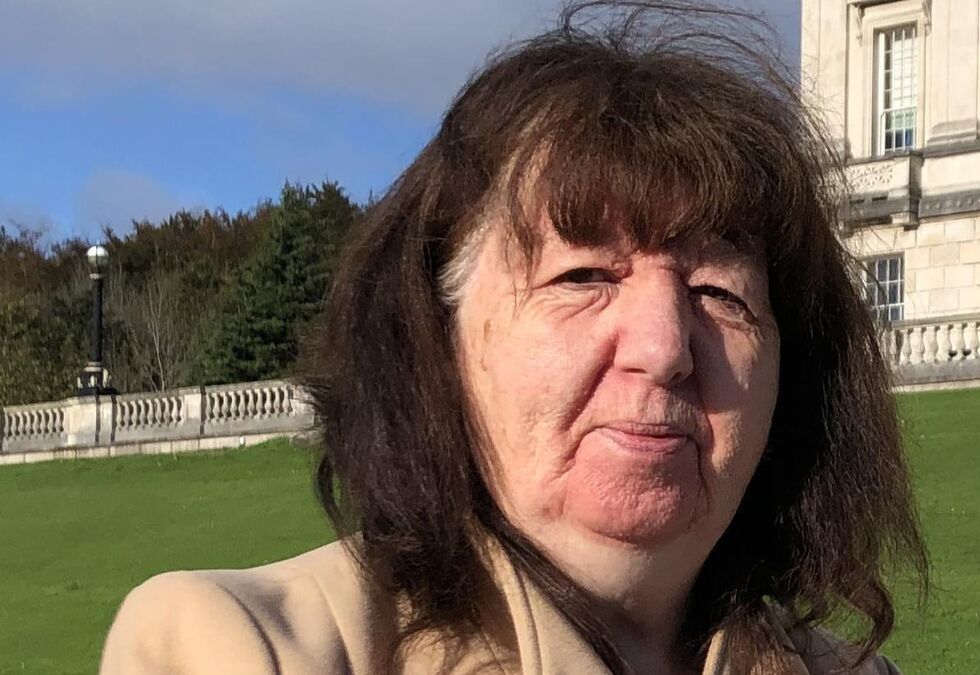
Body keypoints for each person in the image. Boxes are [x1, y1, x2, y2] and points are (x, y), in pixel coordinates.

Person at [99, 2, 927, 673]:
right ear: (438, 339)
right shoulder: (245, 649)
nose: (664, 347)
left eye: (720, 292)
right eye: (582, 275)